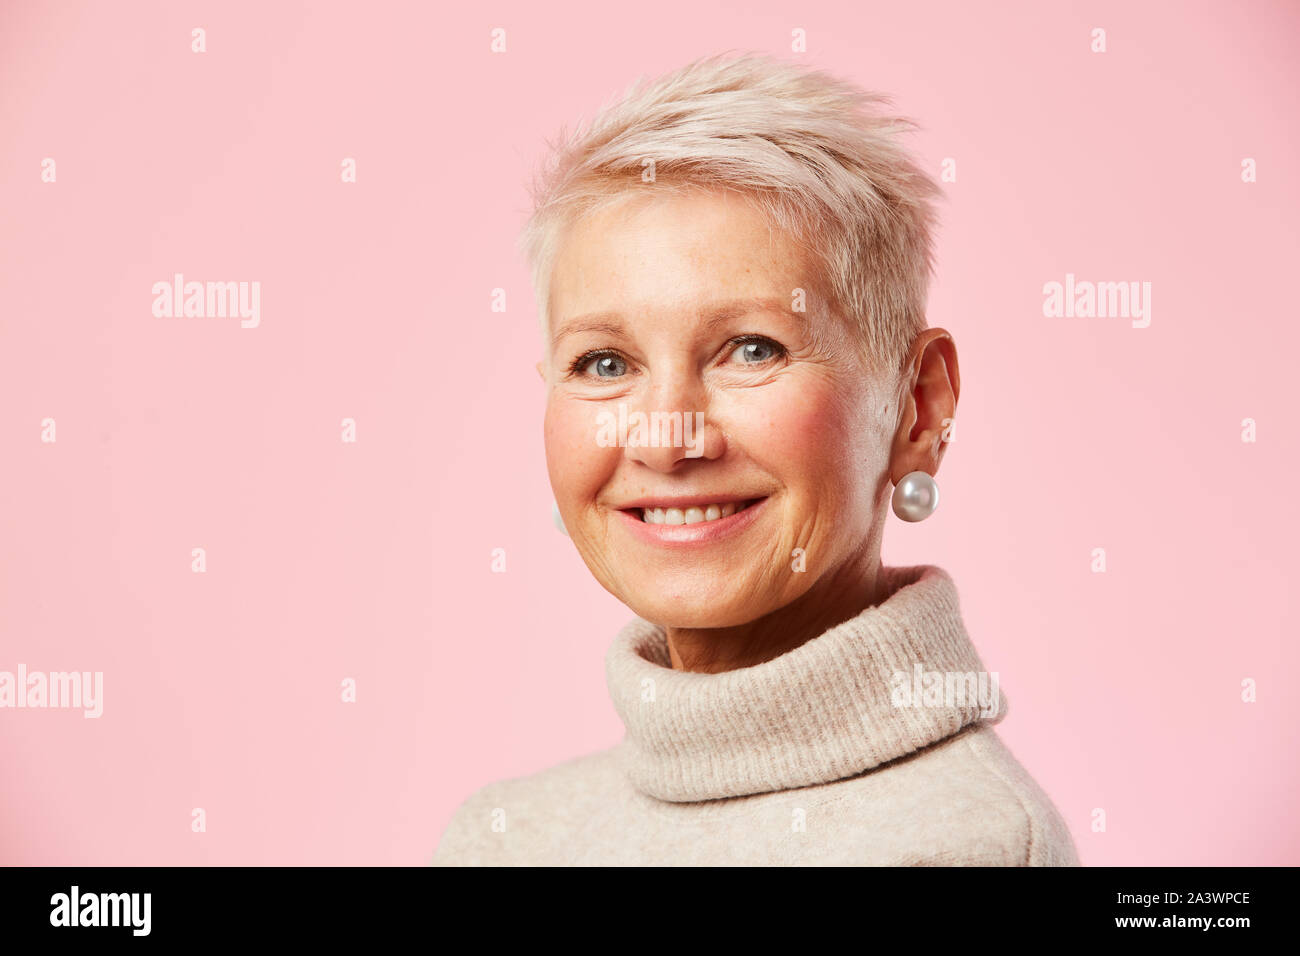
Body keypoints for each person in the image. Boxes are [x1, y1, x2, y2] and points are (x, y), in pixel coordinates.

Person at [433, 51, 1079, 866]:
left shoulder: (967, 844)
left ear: (919, 407)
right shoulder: (500, 838)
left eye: (750, 349)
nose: (667, 437)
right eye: (605, 364)